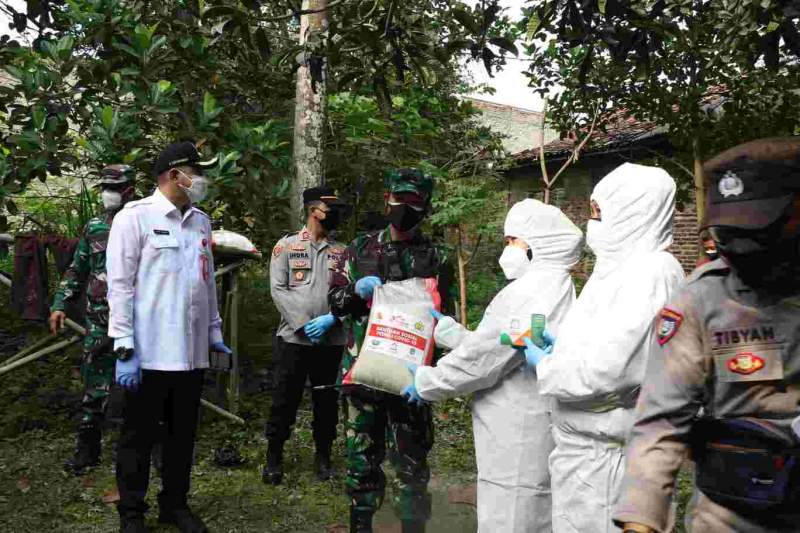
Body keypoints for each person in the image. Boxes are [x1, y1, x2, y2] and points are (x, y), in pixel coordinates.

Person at [614, 138, 800, 533]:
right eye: (729, 236)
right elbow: (659, 424)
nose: (741, 249)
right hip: (732, 516)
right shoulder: (700, 302)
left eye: (758, 231)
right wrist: (639, 522)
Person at [522, 163, 686, 533]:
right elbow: (608, 343)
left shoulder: (652, 271)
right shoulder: (617, 267)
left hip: (608, 465)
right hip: (584, 456)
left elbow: (609, 371)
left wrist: (547, 366)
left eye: (599, 212)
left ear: (632, 210)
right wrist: (561, 347)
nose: (591, 223)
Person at [404, 199, 584, 532]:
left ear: (534, 244)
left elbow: (484, 360)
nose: (507, 250)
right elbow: (505, 344)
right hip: (533, 416)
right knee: (535, 507)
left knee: (510, 510)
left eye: (510, 241)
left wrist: (427, 382)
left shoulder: (528, 291)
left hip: (515, 425)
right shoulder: (555, 285)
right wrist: (450, 331)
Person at [107, 141, 229, 533]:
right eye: (196, 170)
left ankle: (174, 505)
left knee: (182, 438)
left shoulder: (201, 222)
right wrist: (123, 345)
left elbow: (206, 285)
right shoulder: (134, 218)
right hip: (148, 354)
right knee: (137, 438)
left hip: (190, 354)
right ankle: (131, 513)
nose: (201, 178)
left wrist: (214, 333)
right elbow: (120, 287)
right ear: (175, 175)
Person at [328, 168, 455, 533]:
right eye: (399, 198)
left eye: (414, 201)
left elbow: (448, 323)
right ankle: (360, 524)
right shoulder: (360, 249)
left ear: (426, 206)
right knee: (360, 464)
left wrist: (434, 376)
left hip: (410, 383)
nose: (404, 207)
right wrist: (355, 293)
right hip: (363, 376)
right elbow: (335, 301)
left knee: (412, 467)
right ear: (387, 198)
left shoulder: (437, 257)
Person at [50, 164, 136, 475]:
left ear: (129, 189)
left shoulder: (145, 220)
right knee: (94, 387)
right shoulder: (95, 227)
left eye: (114, 188)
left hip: (138, 323)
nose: (107, 194)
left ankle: (140, 452)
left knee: (141, 389)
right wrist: (60, 303)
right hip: (99, 321)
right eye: (104, 187)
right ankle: (88, 449)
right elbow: (77, 268)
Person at [263, 186, 349, 484]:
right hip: (293, 340)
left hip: (331, 339)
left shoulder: (342, 252)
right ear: (315, 211)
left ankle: (323, 456)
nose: (336, 214)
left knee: (326, 402)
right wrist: (302, 324)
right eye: (331, 209)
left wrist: (332, 319)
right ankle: (274, 457)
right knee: (284, 400)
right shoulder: (286, 247)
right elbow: (278, 288)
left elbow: (349, 293)